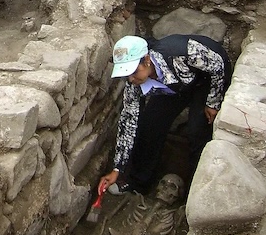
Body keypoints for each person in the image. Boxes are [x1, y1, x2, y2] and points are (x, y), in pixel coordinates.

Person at [99, 34, 231, 196]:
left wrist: (213, 102)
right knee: (149, 126)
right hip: (172, 87)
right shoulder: (134, 83)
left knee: (197, 131)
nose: (131, 79)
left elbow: (217, 65)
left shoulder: (180, 52)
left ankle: (196, 190)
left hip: (205, 79)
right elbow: (128, 124)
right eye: (126, 74)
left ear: (146, 60)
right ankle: (138, 183)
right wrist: (117, 168)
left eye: (133, 71)